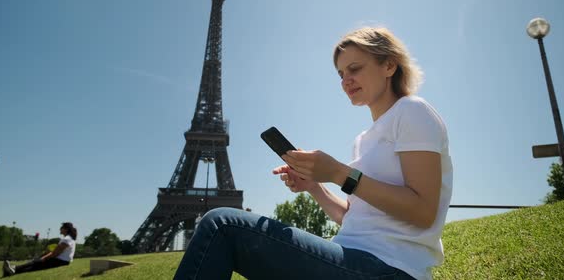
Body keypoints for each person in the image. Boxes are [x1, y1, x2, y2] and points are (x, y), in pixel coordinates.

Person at [173, 27, 453, 280]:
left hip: (390, 269)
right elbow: (355, 219)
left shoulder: (412, 111)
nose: (346, 80)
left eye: (354, 69)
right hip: (352, 259)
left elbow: (423, 211)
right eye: (341, 74)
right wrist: (316, 187)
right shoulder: (363, 140)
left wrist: (338, 173)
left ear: (389, 65)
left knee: (221, 224)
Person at [3, 222, 77, 277]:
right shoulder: (69, 239)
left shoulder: (66, 240)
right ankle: (12, 269)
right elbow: (55, 252)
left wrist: (44, 258)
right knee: (36, 263)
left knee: (35, 264)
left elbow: (55, 254)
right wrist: (45, 256)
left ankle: (13, 269)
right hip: (61, 261)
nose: (60, 229)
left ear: (66, 229)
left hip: (60, 261)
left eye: (62, 227)